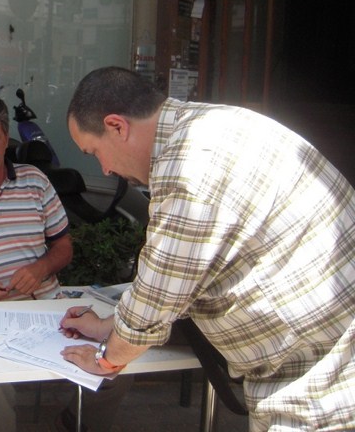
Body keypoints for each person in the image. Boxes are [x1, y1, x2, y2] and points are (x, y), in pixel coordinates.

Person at [60, 66, 355, 431]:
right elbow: (171, 280)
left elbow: (154, 301)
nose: (103, 170)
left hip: (320, 382)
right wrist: (108, 325)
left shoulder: (187, 167)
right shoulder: (215, 123)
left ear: (117, 127)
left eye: (94, 152)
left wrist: (105, 362)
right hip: (322, 360)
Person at [0, 91, 130, 432]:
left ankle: (75, 423)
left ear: (6, 139)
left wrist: (40, 268)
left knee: (120, 364)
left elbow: (63, 247)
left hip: (49, 312)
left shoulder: (34, 181)